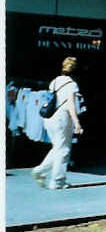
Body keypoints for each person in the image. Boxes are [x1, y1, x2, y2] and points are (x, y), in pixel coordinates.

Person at [32, 57, 83, 189]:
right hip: (63, 119)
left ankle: (41, 171)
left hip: (50, 118)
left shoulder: (54, 82)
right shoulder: (72, 85)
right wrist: (77, 122)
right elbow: (71, 105)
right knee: (64, 149)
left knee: (58, 148)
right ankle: (57, 180)